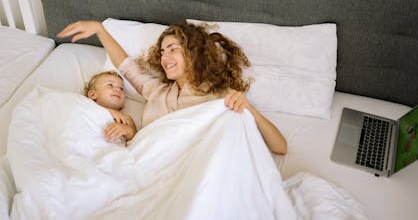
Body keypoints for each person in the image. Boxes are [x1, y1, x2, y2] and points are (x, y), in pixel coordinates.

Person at [59, 20, 287, 155]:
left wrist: (250, 109)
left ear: (193, 52)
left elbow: (280, 147)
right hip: (145, 165)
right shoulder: (156, 90)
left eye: (172, 49)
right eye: (162, 52)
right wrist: (100, 30)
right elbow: (125, 65)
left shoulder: (219, 96)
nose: (164, 57)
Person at [84, 70, 137, 144]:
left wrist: (126, 130)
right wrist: (107, 111)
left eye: (121, 88)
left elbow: (135, 138)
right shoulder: (86, 107)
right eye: (110, 85)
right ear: (93, 95)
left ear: (123, 104)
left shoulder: (125, 118)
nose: (118, 89)